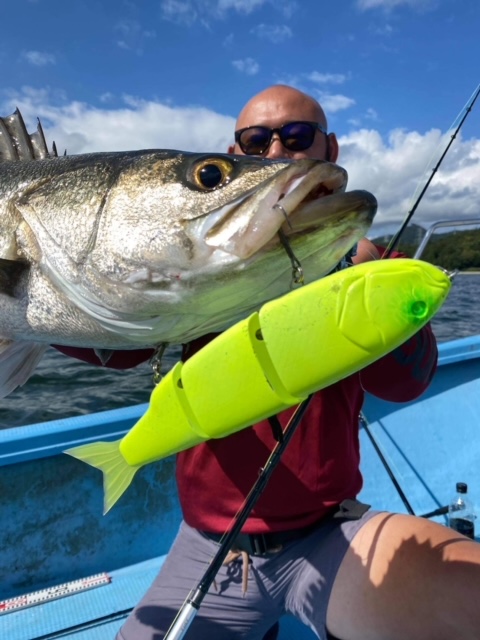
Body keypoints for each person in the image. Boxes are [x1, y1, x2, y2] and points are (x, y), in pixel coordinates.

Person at [58, 86, 480, 640]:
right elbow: (118, 346)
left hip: (326, 535)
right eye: (255, 143)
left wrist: (364, 281)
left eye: (297, 137)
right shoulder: (197, 271)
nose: (277, 152)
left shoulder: (371, 266)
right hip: (210, 546)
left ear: (330, 148)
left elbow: (407, 382)